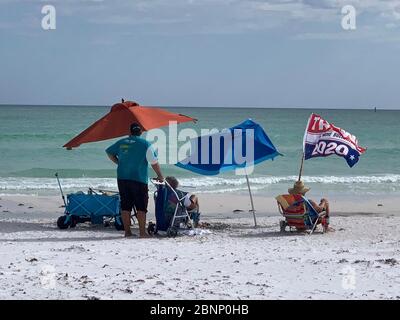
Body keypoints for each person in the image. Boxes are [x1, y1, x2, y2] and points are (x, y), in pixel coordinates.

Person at [106, 122, 164, 238]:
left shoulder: (121, 142)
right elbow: (154, 162)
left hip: (122, 178)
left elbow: (109, 152)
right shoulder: (145, 144)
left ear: (130, 132)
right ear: (141, 132)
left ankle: (127, 232)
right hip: (139, 179)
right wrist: (160, 175)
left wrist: (118, 162)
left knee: (125, 205)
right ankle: (142, 233)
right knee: (141, 206)